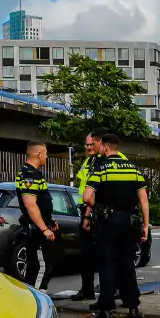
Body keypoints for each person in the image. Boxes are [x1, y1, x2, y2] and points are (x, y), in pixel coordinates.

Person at [84, 133, 149, 318]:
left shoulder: (101, 168)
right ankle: (133, 309)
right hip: (129, 222)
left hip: (108, 222)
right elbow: (144, 200)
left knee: (107, 265)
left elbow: (87, 197)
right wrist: (145, 225)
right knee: (127, 264)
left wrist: (99, 207)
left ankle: (105, 312)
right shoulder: (133, 169)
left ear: (104, 147)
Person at [69, 128, 107, 302]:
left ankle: (109, 291)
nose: (89, 147)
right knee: (85, 254)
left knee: (101, 254)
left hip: (94, 211)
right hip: (85, 209)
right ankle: (87, 289)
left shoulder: (101, 161)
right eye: (87, 144)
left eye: (92, 144)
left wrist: (88, 214)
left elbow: (96, 191)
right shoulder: (89, 161)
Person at [17, 141, 58, 292]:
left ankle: (37, 296)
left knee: (42, 265)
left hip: (40, 227)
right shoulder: (30, 174)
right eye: (45, 154)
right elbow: (30, 204)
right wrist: (44, 229)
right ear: (39, 154)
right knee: (41, 266)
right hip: (37, 230)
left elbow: (41, 202)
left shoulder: (32, 173)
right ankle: (38, 300)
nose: (46, 157)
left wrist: (50, 221)